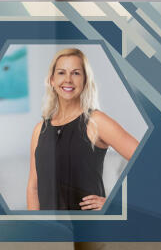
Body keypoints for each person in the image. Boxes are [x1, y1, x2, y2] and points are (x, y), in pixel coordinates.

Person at [27, 47, 140, 211]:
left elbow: (147, 160)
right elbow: (33, 188)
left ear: (85, 80)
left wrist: (115, 203)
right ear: (52, 80)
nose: (68, 79)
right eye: (61, 73)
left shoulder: (96, 121)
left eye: (76, 73)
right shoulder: (40, 130)